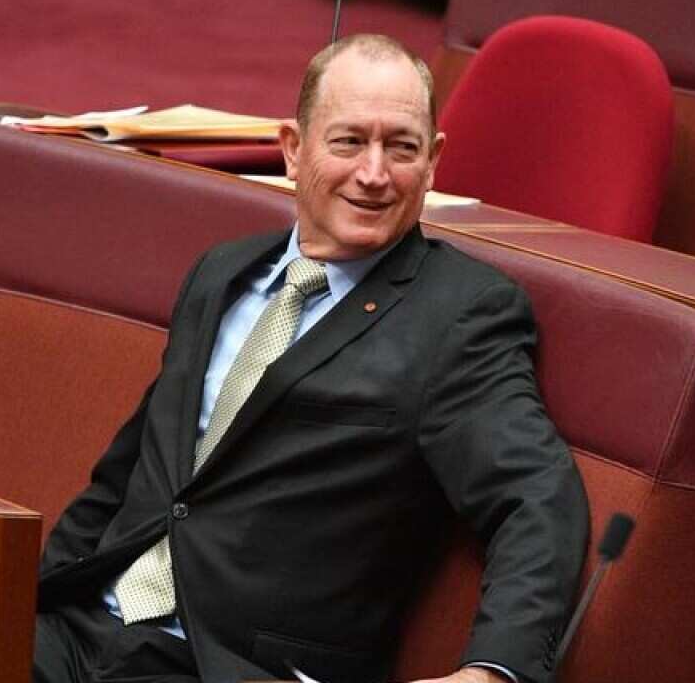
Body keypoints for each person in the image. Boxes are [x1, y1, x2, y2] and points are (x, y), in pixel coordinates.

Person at [34, 34, 588, 683]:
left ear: (434, 161)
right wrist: (33, 593)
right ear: (293, 151)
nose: (374, 174)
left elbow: (537, 497)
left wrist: (493, 673)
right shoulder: (222, 272)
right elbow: (132, 473)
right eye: (349, 141)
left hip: (228, 665)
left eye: (401, 147)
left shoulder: (460, 315)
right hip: (82, 630)